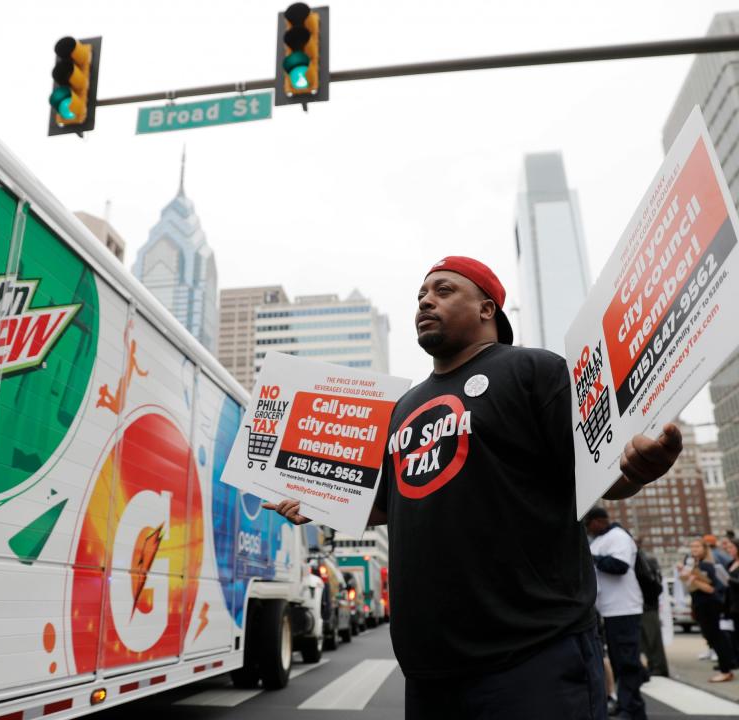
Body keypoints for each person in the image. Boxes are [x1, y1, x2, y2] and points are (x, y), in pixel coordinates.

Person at [265, 256, 682, 720]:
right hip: (429, 670)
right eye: (421, 294)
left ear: (487, 309)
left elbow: (597, 470)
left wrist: (640, 469)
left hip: (533, 654)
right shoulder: (403, 407)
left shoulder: (534, 370)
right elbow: (386, 504)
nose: (426, 301)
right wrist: (318, 501)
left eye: (443, 291)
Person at [585, 508, 646, 720]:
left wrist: (591, 557)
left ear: (599, 521)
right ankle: (631, 707)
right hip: (610, 610)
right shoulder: (599, 540)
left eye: (588, 523)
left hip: (624, 608)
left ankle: (629, 709)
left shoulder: (618, 536)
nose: (587, 528)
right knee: (620, 661)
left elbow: (620, 566)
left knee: (627, 661)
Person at [679, 538, 735, 682]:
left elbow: (710, 589)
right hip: (699, 604)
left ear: (704, 548)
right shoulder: (692, 564)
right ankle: (726, 666)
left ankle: (726, 669)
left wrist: (693, 579)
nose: (694, 549)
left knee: (716, 637)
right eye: (692, 547)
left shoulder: (707, 566)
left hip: (711, 605)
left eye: (697, 546)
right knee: (710, 637)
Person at [634, 541, 669, 678]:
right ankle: (654, 665)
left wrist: (648, 600)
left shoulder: (644, 560)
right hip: (645, 604)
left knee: (652, 638)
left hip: (647, 604)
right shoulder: (643, 559)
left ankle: (658, 667)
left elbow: (652, 583)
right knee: (647, 639)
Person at [722, 537, 739, 661]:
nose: (729, 550)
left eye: (731, 547)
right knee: (734, 633)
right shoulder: (729, 563)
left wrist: (730, 580)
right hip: (731, 603)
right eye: (727, 548)